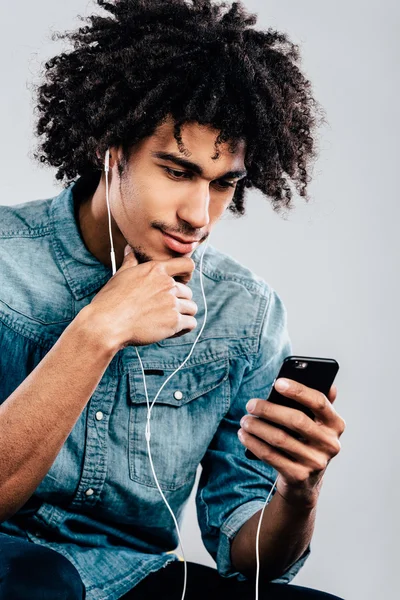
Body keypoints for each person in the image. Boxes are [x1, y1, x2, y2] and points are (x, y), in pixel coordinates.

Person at [0, 1, 346, 599]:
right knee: (43, 582)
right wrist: (97, 329)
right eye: (177, 171)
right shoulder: (7, 263)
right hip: (19, 570)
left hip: (134, 578)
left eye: (223, 184)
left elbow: (252, 566)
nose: (199, 215)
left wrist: (299, 491)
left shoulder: (246, 314)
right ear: (113, 149)